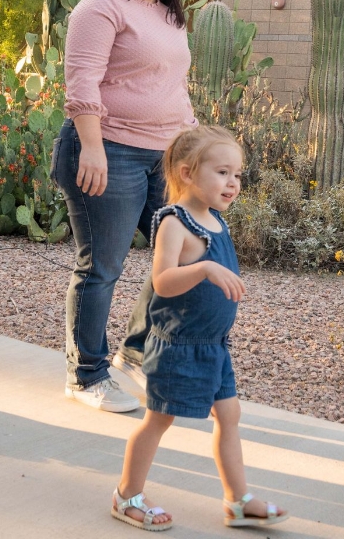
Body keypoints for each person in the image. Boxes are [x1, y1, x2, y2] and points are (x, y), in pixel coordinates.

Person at [109, 126, 288, 532]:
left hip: (213, 347)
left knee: (230, 415)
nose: (233, 182)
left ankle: (238, 501)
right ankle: (126, 495)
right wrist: (204, 267)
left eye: (238, 174)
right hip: (178, 345)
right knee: (158, 419)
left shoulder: (216, 220)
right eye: (223, 172)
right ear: (188, 173)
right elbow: (162, 282)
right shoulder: (176, 223)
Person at [53, 0, 197, 413]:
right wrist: (91, 149)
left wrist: (191, 148)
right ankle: (85, 375)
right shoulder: (101, 7)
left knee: (184, 254)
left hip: (164, 157)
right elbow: (82, 83)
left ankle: (135, 351)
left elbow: (173, 88)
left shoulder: (169, 16)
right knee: (102, 267)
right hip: (107, 150)